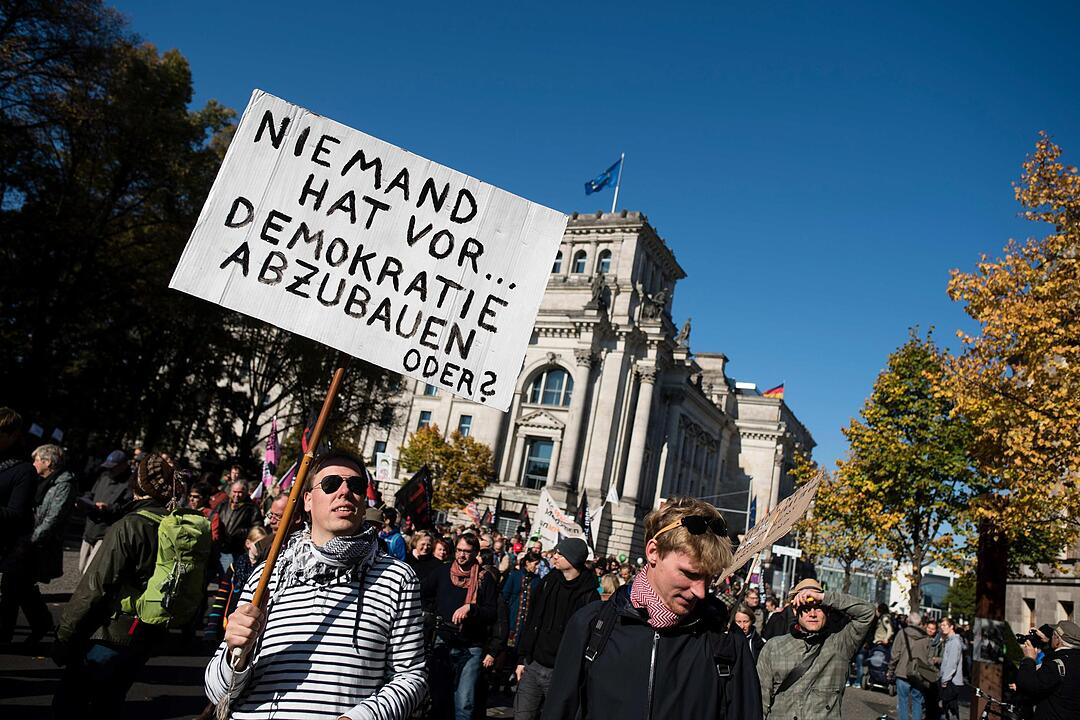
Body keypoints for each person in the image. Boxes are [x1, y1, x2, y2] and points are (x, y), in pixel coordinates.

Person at [205, 451, 426, 719]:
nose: (345, 491)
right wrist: (234, 654)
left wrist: (360, 717)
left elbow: (410, 676)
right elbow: (218, 691)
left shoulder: (396, 578)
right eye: (331, 483)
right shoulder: (267, 575)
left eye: (355, 485)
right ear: (307, 500)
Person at [542, 497, 762, 720]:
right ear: (653, 552)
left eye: (709, 577)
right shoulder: (592, 625)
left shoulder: (726, 642)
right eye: (690, 574)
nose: (701, 592)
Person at [53, 453, 184, 715]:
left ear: (139, 486)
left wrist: (64, 635)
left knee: (70, 705)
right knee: (109, 704)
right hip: (147, 633)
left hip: (111, 634)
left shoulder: (130, 526)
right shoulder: (178, 527)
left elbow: (93, 587)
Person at [756, 577, 875, 720]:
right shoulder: (774, 647)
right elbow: (760, 699)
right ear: (795, 611)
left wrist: (823, 597)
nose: (812, 614)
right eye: (806, 609)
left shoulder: (841, 644)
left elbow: (867, 612)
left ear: (828, 611)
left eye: (818, 608)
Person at [514, 538, 599, 720]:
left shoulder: (590, 595)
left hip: (560, 674)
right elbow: (531, 620)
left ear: (573, 559)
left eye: (560, 553)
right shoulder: (548, 581)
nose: (555, 556)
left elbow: (590, 639)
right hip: (533, 665)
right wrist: (522, 658)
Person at [423, 532, 499, 720]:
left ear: (475, 553)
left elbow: (492, 613)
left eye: (466, 551)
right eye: (458, 550)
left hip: (471, 645)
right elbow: (422, 592)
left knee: (465, 702)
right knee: (439, 697)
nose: (461, 555)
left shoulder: (484, 578)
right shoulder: (443, 571)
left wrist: (471, 608)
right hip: (443, 640)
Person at [17, 444, 77, 645]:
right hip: (30, 540)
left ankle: (41, 623)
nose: (34, 464)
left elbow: (53, 517)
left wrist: (31, 540)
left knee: (22, 584)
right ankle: (41, 623)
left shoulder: (64, 483)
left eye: (37, 460)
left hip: (41, 544)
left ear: (48, 462)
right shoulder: (41, 480)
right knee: (22, 584)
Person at [0, 408, 37, 644]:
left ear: (13, 435)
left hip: (6, 548)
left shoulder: (23, 471)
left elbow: (16, 514)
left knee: (10, 595)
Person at [78, 449, 130, 573]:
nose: (110, 470)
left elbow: (126, 507)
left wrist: (108, 507)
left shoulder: (129, 484)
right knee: (81, 568)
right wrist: (84, 501)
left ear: (123, 465)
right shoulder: (104, 476)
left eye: (114, 467)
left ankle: (85, 592)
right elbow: (91, 493)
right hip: (90, 527)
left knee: (89, 571)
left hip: (106, 531)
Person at [1015, 619, 1079, 720]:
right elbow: (1059, 657)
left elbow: (1028, 685)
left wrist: (1029, 659)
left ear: (1057, 640)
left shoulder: (1055, 666)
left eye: (1053, 635)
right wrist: (1046, 642)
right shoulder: (1071, 661)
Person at [889, 611, 932, 720]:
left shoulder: (902, 633)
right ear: (919, 623)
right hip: (919, 674)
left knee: (903, 702)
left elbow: (895, 655)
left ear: (908, 621)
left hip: (903, 672)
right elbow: (929, 658)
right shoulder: (926, 638)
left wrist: (890, 670)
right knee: (917, 701)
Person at [214, 480, 260, 577]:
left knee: (227, 578)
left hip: (237, 550)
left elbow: (257, 529)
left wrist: (241, 533)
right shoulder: (223, 505)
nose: (236, 495)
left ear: (246, 492)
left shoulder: (252, 509)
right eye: (234, 492)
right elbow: (213, 519)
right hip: (218, 548)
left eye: (240, 492)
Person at [937, 617, 964, 720]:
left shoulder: (954, 642)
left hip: (951, 682)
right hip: (949, 680)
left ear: (951, 627)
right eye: (941, 625)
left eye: (945, 625)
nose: (942, 627)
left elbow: (952, 664)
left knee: (949, 710)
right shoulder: (950, 641)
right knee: (949, 710)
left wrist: (944, 679)